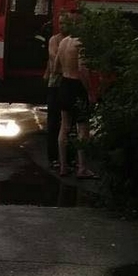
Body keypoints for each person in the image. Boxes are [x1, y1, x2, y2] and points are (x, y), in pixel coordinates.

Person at [56, 27, 97, 179]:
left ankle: (63, 166)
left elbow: (55, 67)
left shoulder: (63, 42)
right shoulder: (81, 44)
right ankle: (82, 168)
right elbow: (82, 69)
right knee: (82, 128)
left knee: (64, 126)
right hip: (77, 86)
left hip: (64, 84)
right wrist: (90, 91)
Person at [42, 22, 64, 171]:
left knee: (62, 123)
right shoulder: (55, 40)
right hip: (58, 84)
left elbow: (54, 63)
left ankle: (61, 160)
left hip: (60, 84)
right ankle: (57, 159)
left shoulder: (58, 41)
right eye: (61, 22)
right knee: (58, 123)